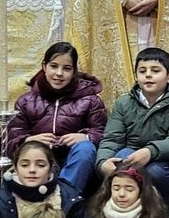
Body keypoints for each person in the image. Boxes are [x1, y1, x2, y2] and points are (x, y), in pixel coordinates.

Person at [96, 47, 169, 210]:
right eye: (142, 71)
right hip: (130, 153)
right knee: (123, 158)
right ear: (136, 76)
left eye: (155, 70)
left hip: (161, 158)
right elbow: (112, 139)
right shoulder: (123, 103)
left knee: (155, 172)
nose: (148, 75)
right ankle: (123, 214)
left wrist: (150, 151)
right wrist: (102, 162)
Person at [6, 42, 108, 194]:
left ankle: (63, 199)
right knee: (31, 152)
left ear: (74, 71)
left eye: (66, 68)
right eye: (54, 66)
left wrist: (86, 137)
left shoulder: (91, 100)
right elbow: (12, 139)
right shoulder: (25, 101)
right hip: (40, 161)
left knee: (85, 148)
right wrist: (29, 140)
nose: (59, 73)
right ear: (44, 66)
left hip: (75, 163)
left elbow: (106, 135)